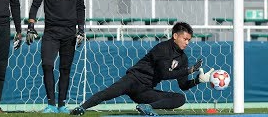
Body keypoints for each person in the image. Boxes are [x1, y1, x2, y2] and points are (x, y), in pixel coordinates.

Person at [71, 22, 214, 116]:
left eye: (189, 40)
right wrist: (188, 71)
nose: (187, 42)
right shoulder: (162, 48)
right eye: (185, 39)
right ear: (175, 36)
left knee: (180, 98)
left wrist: (198, 80)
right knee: (108, 93)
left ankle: (147, 107)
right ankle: (81, 108)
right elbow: (164, 74)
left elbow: (183, 85)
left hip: (145, 90)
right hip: (133, 79)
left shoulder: (183, 59)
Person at [26, 0, 85, 113]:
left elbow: (80, 7)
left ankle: (62, 104)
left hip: (69, 33)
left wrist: (81, 30)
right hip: (51, 32)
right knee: (47, 65)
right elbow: (36, 3)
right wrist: (31, 25)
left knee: (65, 69)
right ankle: (51, 104)